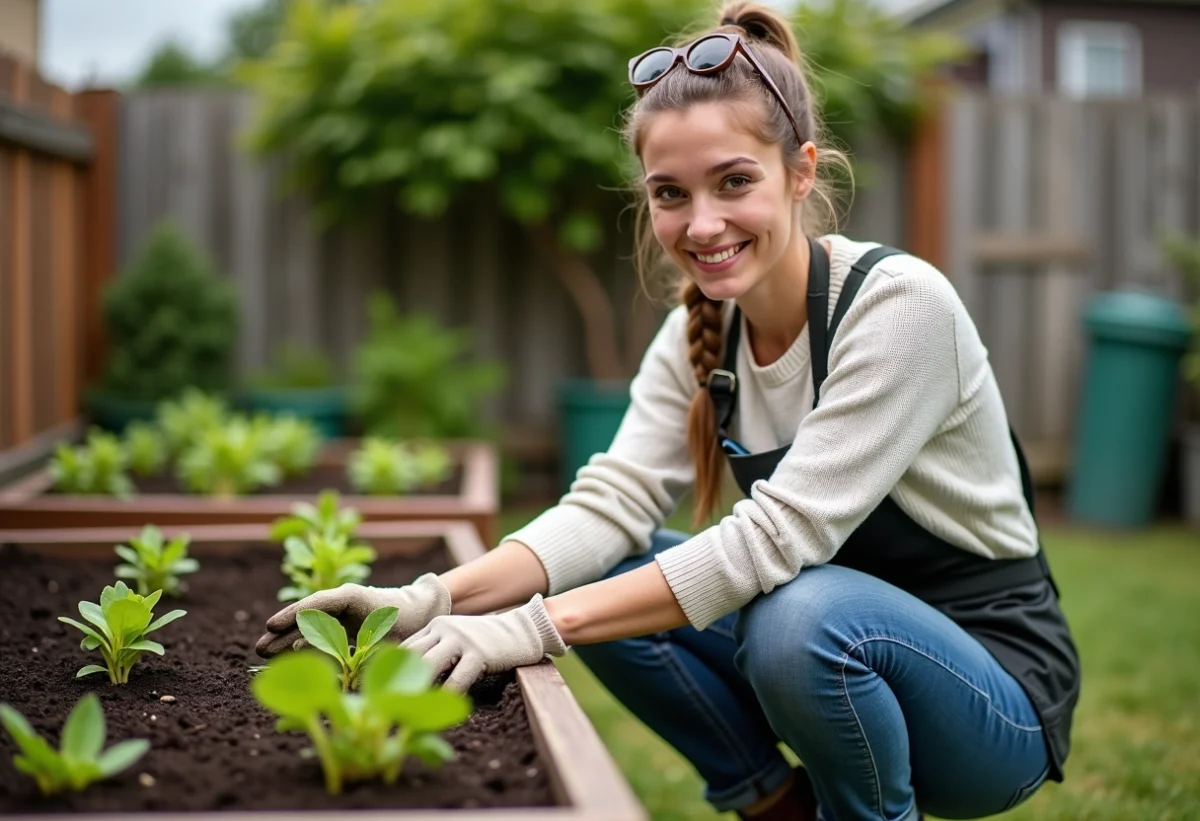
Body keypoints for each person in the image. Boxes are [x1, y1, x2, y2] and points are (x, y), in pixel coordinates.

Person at [256, 3, 1081, 819]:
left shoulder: (898, 307)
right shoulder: (703, 325)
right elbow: (608, 505)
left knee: (801, 617)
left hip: (989, 699)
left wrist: (533, 627)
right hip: (838, 648)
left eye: (734, 182)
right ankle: (773, 805)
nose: (703, 223)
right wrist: (429, 599)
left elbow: (776, 541)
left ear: (800, 171)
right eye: (670, 193)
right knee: (613, 561)